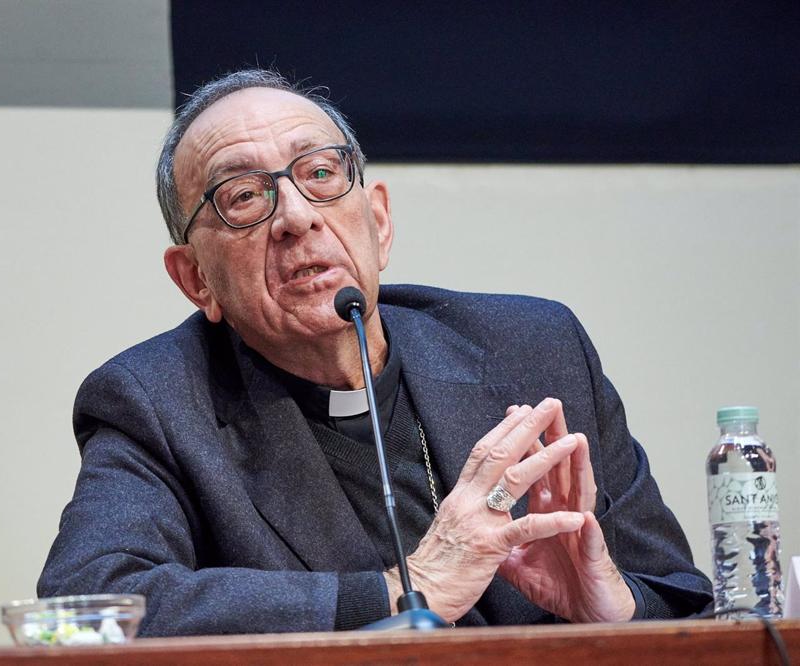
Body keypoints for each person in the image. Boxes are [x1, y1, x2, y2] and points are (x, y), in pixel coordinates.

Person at [38, 69, 712, 635]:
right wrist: (398, 590)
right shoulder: (153, 401)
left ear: (379, 224)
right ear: (195, 279)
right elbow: (88, 606)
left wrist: (611, 607)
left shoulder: (534, 348)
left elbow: (683, 599)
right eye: (244, 196)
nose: (297, 217)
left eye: (321, 173)